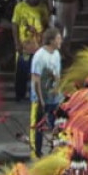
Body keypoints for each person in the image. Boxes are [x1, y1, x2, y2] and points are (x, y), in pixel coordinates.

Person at [29, 27, 63, 157]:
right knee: (38, 126)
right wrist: (41, 99)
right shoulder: (39, 56)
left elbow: (57, 75)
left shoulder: (56, 54)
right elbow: (36, 80)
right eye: (58, 38)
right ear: (51, 40)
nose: (61, 41)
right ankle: (35, 152)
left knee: (56, 124)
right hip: (40, 97)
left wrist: (57, 91)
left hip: (54, 97)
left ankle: (55, 150)